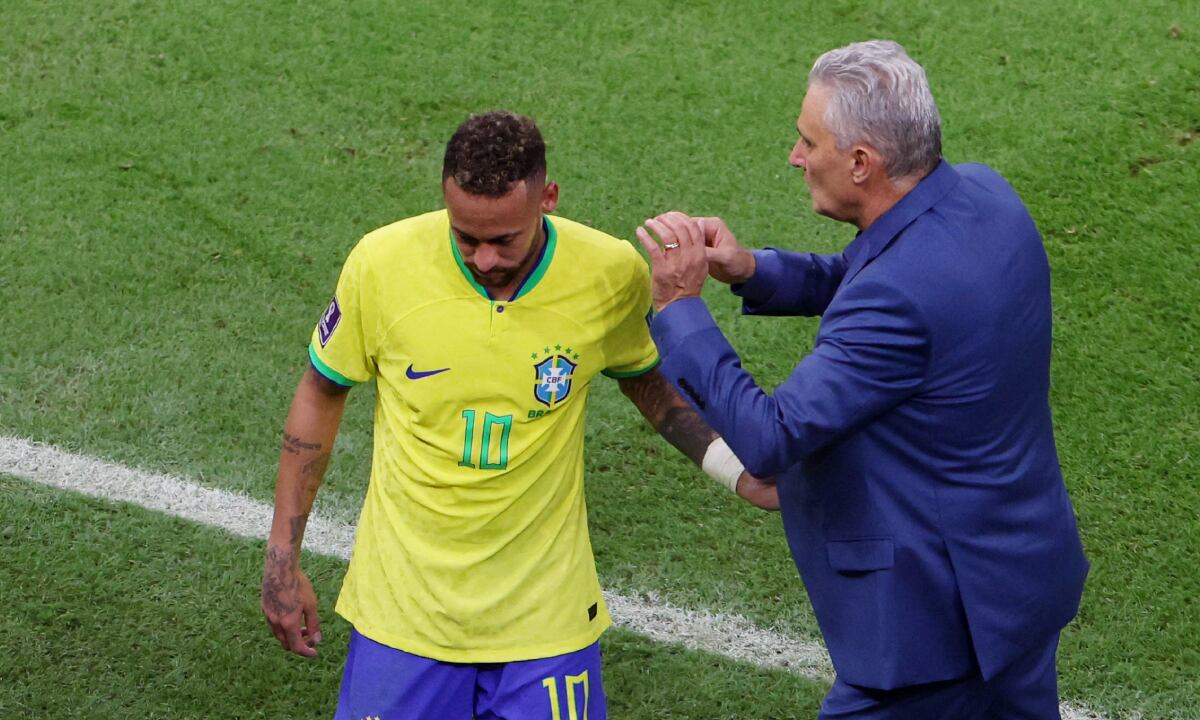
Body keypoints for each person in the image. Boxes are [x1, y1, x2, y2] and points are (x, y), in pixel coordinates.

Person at [261, 110, 772, 720]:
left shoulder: (608, 273)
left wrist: (736, 470)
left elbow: (649, 383)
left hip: (547, 618)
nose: (482, 258)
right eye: (464, 236)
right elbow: (322, 391)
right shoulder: (381, 263)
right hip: (404, 612)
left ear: (547, 199)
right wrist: (281, 561)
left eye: (503, 239)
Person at [636, 41, 1089, 720]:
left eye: (806, 140)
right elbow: (875, 273)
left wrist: (680, 310)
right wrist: (750, 268)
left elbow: (770, 437)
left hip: (932, 631)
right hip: (1017, 584)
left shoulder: (898, 299)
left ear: (860, 162)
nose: (795, 156)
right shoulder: (987, 199)